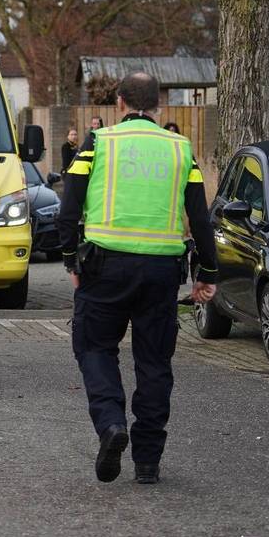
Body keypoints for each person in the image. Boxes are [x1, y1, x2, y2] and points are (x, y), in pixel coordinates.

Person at [58, 72, 218, 485]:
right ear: (158, 105)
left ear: (120, 102)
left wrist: (71, 260)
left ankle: (112, 424)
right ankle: (148, 460)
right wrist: (208, 272)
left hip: (104, 267)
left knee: (94, 347)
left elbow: (69, 203)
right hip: (162, 272)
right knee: (153, 361)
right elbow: (200, 216)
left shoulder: (100, 142)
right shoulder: (181, 148)